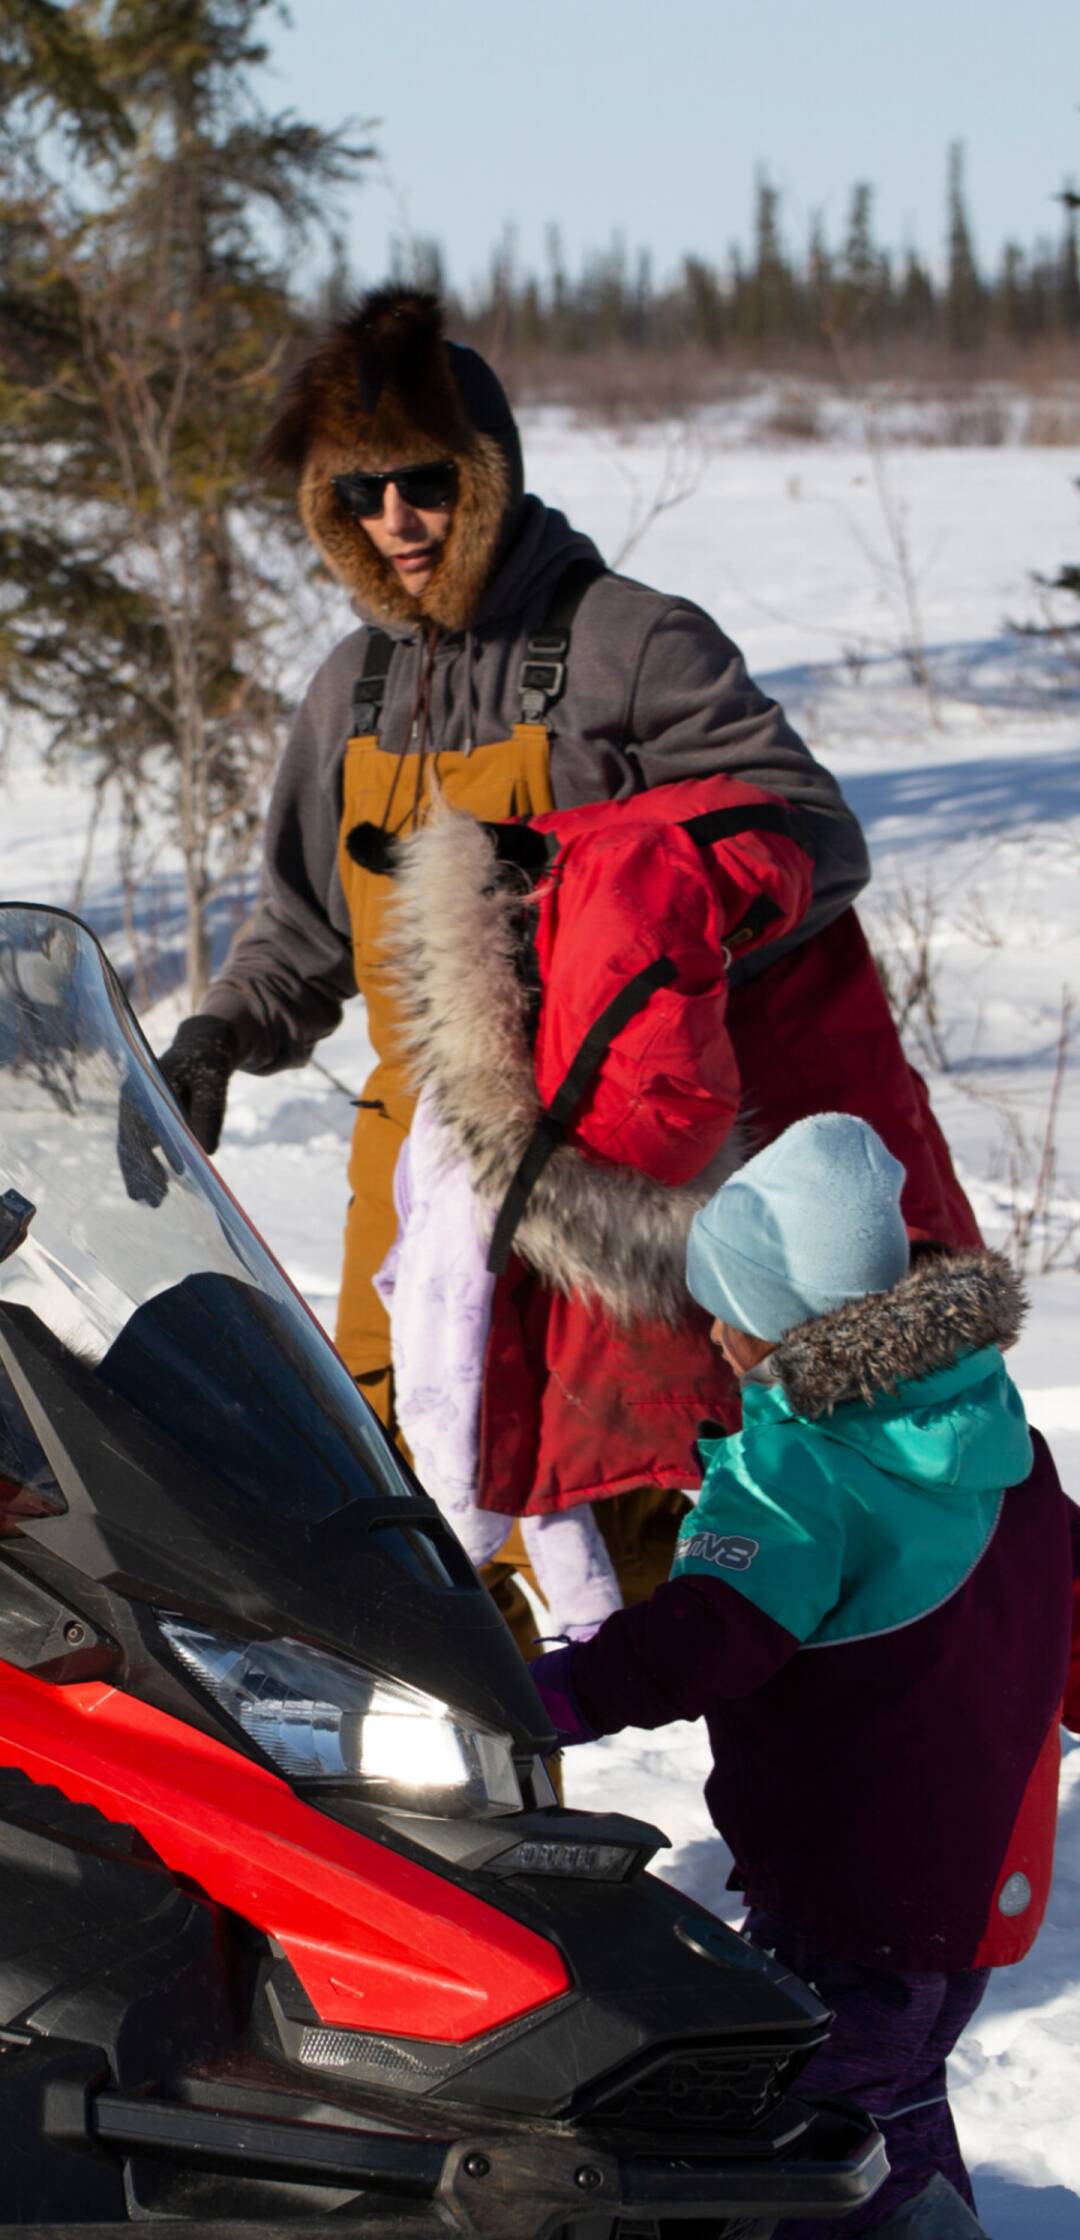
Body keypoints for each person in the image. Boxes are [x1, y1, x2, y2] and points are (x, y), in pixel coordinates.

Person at [153, 284, 977, 1651]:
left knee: (640, 1489)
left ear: (486, 478)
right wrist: (219, 1038)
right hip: (414, 1159)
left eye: (426, 485)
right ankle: (466, 1801)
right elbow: (302, 930)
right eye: (358, 496)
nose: (397, 523)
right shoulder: (347, 690)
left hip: (612, 1157)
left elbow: (810, 836)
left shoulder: (630, 640)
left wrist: (620, 888)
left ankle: (715, 1789)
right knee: (405, 1484)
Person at [529, 1114, 1080, 2239]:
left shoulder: (799, 1468)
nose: (714, 1333)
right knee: (894, 2093)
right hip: (976, 1885)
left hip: (854, 1884)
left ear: (778, 1321)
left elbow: (708, 1634)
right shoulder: (991, 1426)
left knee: (809, 2141)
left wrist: (552, 1694)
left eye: (726, 1307)